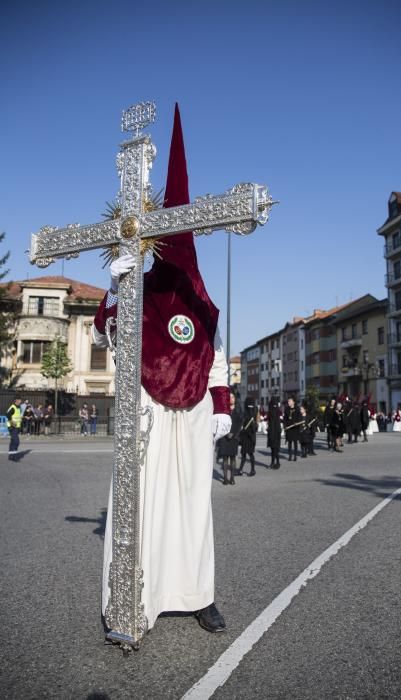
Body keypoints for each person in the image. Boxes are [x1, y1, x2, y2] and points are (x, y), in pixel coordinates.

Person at [92, 105, 231, 635]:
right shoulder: (139, 285)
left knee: (195, 505)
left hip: (193, 411)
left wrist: (220, 405)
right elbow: (108, 331)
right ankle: (134, 599)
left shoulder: (197, 293)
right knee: (141, 503)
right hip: (145, 406)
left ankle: (198, 595)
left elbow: (212, 354)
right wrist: (114, 287)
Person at [217, 392, 243, 485]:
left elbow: (240, 424)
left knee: (232, 458)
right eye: (229, 397)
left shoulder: (238, 410)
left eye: (233, 397)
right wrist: (226, 433)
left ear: (235, 399)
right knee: (225, 458)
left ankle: (232, 478)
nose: (231, 399)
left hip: (234, 437)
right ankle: (225, 478)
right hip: (224, 436)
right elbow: (220, 422)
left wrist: (234, 434)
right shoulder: (224, 409)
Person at [238, 396, 257, 477]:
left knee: (250, 453)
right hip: (246, 436)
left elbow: (253, 426)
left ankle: (252, 470)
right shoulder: (249, 411)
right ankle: (240, 470)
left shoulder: (252, 412)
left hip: (250, 436)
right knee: (244, 453)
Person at [283, 397, 301, 461]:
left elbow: (299, 418)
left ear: (293, 402)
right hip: (289, 428)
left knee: (295, 442)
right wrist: (285, 426)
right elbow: (285, 418)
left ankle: (295, 456)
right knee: (289, 442)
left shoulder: (297, 409)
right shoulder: (286, 409)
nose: (288, 402)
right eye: (288, 401)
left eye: (289, 401)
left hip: (295, 428)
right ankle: (290, 455)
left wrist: (297, 423)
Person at [267, 396, 282, 469]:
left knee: (274, 448)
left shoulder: (273, 410)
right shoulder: (276, 410)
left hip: (274, 431)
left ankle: (276, 462)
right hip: (275, 431)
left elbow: (273, 422)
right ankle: (274, 462)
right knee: (274, 448)